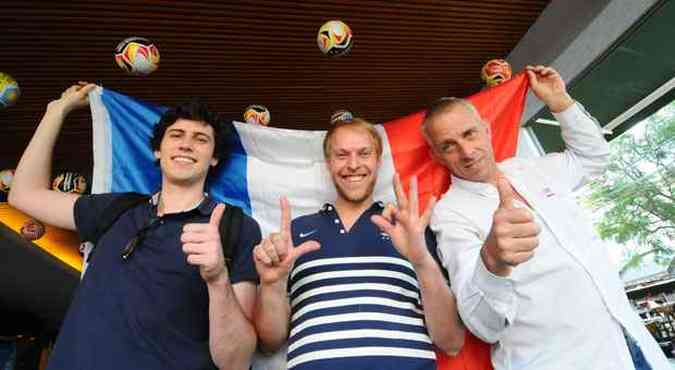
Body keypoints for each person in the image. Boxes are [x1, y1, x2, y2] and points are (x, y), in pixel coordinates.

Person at [423, 65, 670, 370]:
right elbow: (483, 325)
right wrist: (492, 261)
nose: (466, 151)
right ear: (436, 156)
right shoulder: (450, 213)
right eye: (449, 146)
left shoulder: (532, 168)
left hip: (629, 343)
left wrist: (561, 103)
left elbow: (594, 157)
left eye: (469, 134)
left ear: (486, 130)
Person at [8, 83, 261, 370]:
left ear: (214, 158)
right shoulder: (116, 208)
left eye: (201, 139)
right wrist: (56, 111)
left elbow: (236, 361)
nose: (186, 144)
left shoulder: (235, 227)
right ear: (157, 150)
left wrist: (217, 279)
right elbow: (23, 194)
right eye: (176, 135)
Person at [252, 118, 465, 370]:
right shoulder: (294, 232)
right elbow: (269, 343)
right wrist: (271, 285)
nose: (353, 165)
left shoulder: (410, 229)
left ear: (378, 160)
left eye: (364, 153)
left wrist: (421, 260)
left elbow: (451, 342)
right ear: (329, 163)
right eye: (342, 155)